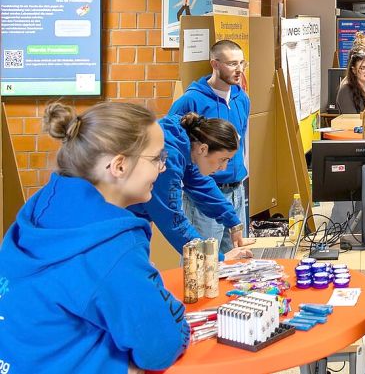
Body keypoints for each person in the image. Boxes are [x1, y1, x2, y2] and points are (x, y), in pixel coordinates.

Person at [0, 102, 190, 371]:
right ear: (119, 165)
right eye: (157, 158)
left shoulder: (40, 207)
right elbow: (160, 347)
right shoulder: (113, 248)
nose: (162, 168)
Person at [129, 112, 253, 260]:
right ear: (203, 149)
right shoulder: (168, 160)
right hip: (120, 219)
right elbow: (174, 221)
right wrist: (216, 259)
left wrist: (233, 221)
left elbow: (200, 184)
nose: (223, 167)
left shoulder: (183, 141)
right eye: (222, 160)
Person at [169, 39, 253, 254]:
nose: (239, 70)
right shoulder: (191, 100)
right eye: (232, 64)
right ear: (214, 64)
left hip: (235, 190)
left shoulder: (241, 98)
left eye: (242, 63)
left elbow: (240, 143)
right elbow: (179, 152)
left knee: (236, 261)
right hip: (204, 193)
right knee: (202, 261)